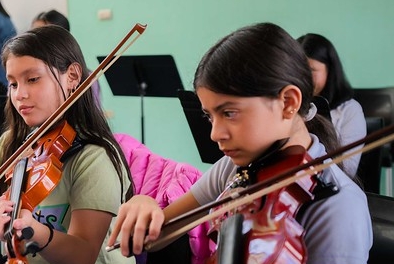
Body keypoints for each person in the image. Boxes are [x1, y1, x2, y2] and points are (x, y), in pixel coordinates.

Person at [108, 23, 372, 263]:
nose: (214, 134)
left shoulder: (337, 207)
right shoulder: (234, 168)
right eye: (209, 116)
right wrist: (147, 205)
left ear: (288, 103)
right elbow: (158, 237)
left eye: (229, 113)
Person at [0, 25, 134, 263]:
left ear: (73, 76)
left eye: (33, 79)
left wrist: (33, 231)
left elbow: (83, 254)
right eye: (13, 84)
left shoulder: (94, 157)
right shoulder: (14, 142)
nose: (20, 94)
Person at [297, 33, 366, 178]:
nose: (303, 77)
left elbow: (346, 171)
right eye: (297, 69)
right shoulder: (289, 106)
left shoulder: (350, 111)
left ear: (330, 70)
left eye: (311, 70)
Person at [30, 10, 103, 108]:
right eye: (32, 34)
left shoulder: (86, 78)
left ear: (62, 39)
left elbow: (92, 116)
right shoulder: (24, 73)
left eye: (42, 36)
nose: (35, 41)